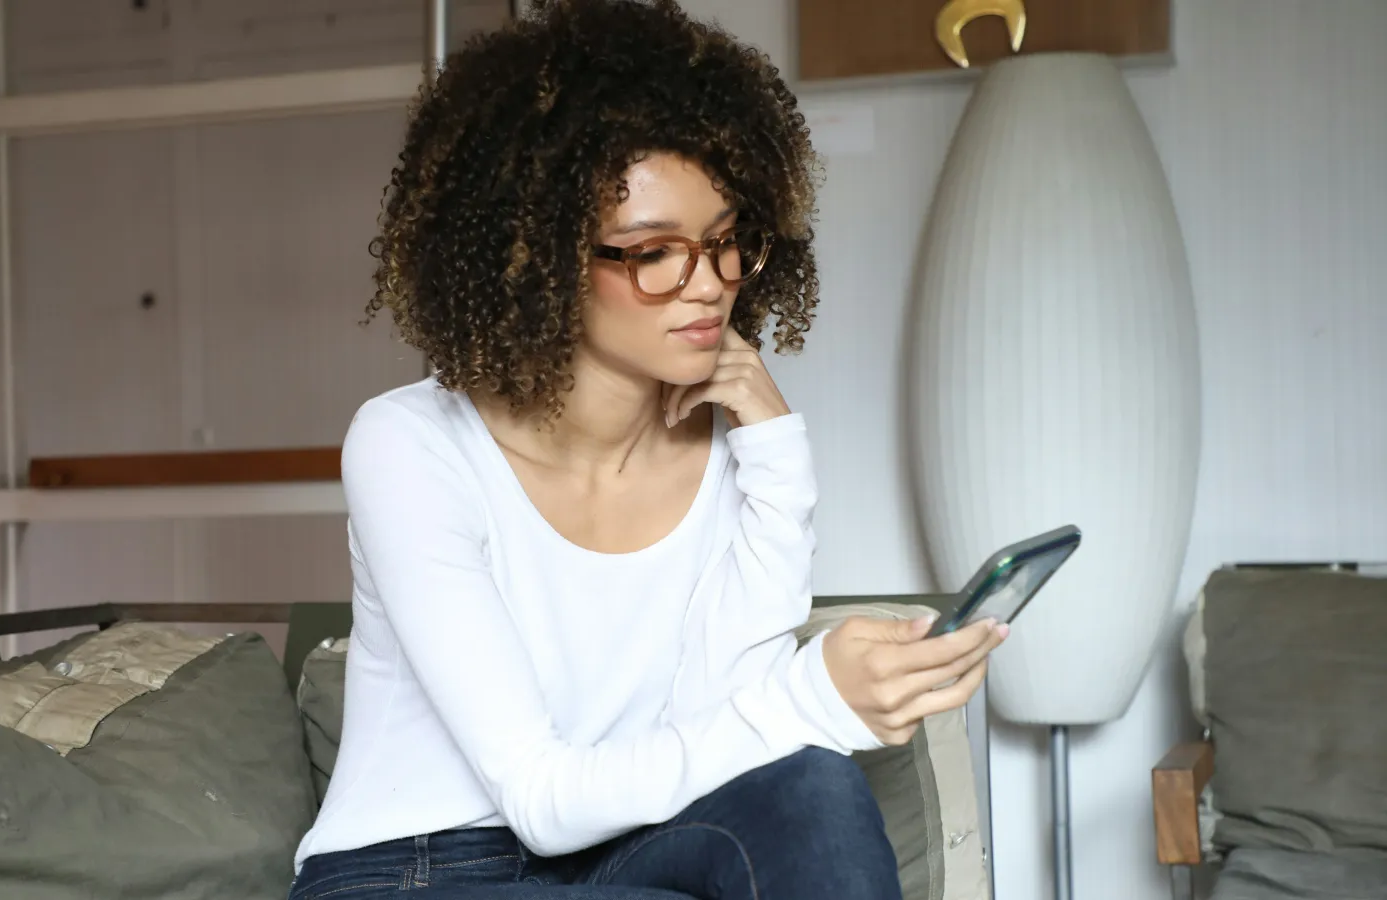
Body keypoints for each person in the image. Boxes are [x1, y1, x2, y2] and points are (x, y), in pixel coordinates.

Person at [288, 2, 1006, 897]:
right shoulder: (409, 445)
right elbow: (541, 797)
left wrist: (779, 458)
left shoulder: (725, 444)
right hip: (419, 868)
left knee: (813, 786)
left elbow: (718, 729)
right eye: (652, 253)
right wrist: (816, 693)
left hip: (620, 850)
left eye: (722, 242)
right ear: (538, 256)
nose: (706, 285)